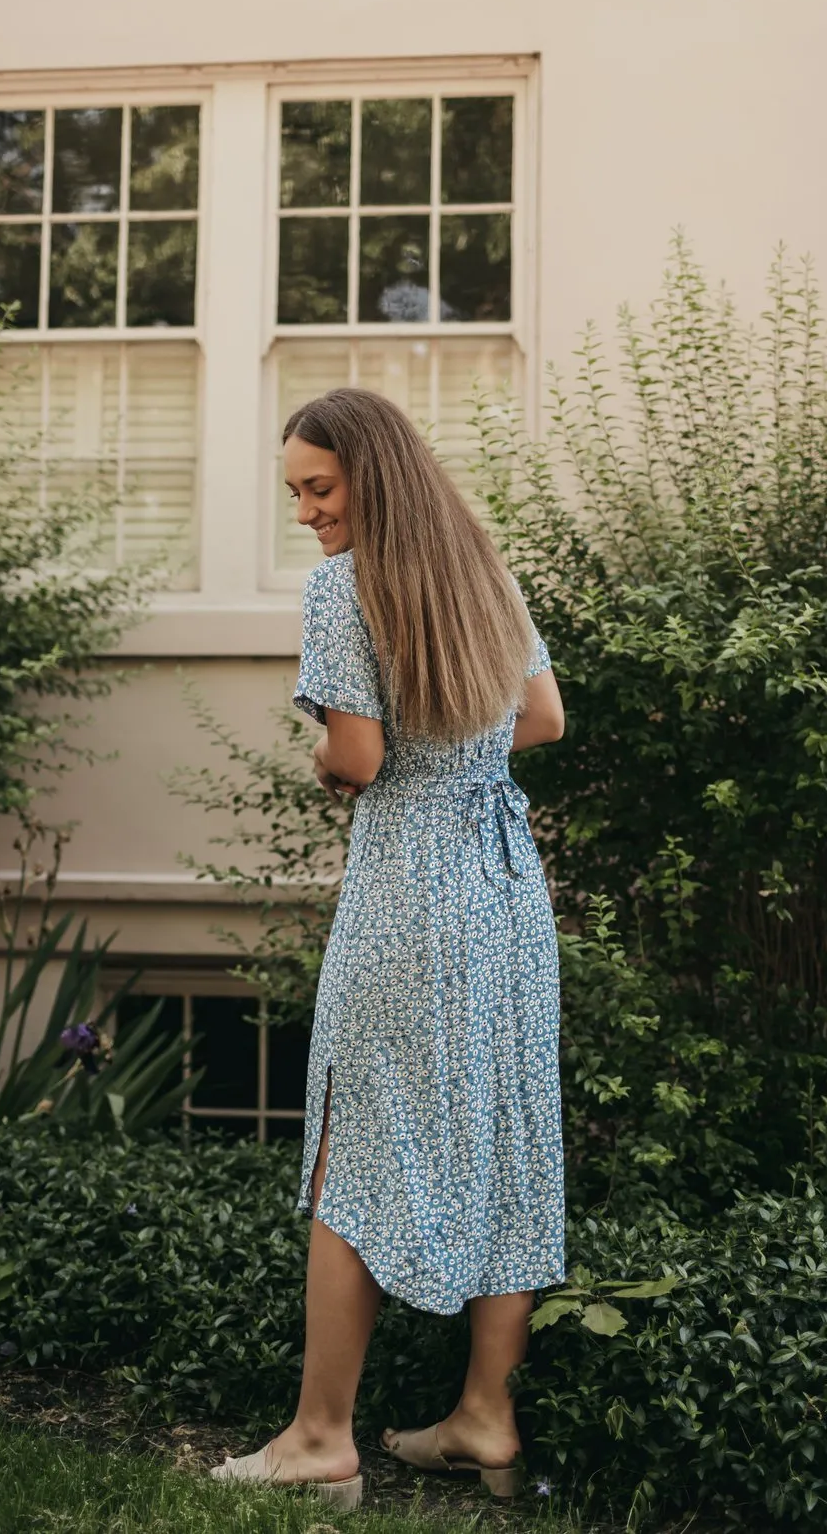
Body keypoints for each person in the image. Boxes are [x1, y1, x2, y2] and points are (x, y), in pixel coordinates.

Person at [211, 387, 565, 1511]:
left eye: (319, 487)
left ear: (374, 473)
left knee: (350, 1139)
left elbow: (358, 760)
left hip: (411, 885)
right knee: (509, 1129)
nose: (307, 513)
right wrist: (460, 755)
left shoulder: (342, 590)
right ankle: (485, 1418)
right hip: (505, 892)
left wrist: (332, 761)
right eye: (297, 494)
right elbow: (545, 719)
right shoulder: (483, 573)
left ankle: (321, 1436)